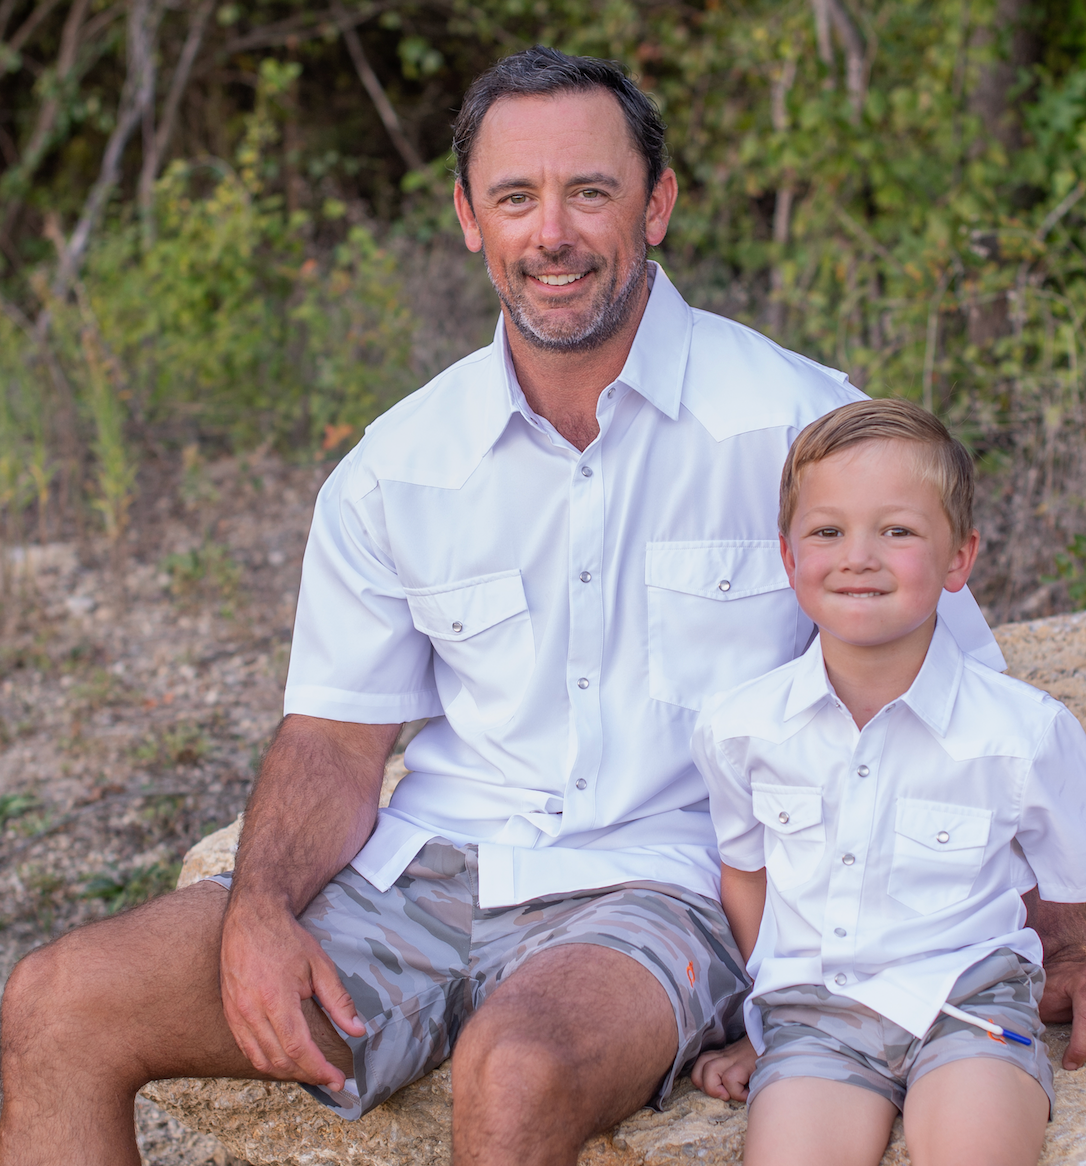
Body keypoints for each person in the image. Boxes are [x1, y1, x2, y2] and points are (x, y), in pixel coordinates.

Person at [1, 47, 1083, 1166]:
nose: (550, 232)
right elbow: (333, 733)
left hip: (664, 884)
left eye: (591, 191)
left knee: (516, 1066)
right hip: (425, 871)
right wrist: (261, 909)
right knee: (55, 998)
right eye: (516, 196)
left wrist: (1063, 939)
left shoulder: (800, 429)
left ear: (655, 204)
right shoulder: (396, 468)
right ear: (471, 217)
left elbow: (960, 708)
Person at [691, 399, 1086, 1166]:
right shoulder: (740, 728)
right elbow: (747, 876)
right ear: (787, 557)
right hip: (817, 1019)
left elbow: (1076, 885)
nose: (858, 556)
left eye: (897, 531)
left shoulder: (1024, 733)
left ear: (957, 560)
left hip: (971, 1009)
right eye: (827, 531)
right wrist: (757, 1023)